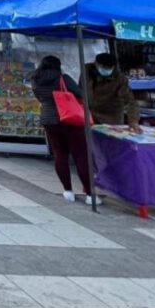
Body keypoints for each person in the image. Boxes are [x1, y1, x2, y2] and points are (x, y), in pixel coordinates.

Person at [31, 55, 94, 205]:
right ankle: (91, 195)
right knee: (80, 156)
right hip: (69, 119)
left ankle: (68, 191)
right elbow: (81, 94)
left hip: (48, 119)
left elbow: (39, 98)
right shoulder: (62, 78)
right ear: (58, 66)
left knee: (60, 155)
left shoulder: (35, 80)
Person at [86, 52, 141, 130]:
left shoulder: (120, 79)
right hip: (90, 117)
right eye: (103, 67)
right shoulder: (87, 72)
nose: (106, 70)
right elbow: (81, 91)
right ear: (96, 64)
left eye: (109, 68)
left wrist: (133, 121)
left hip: (111, 119)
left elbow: (130, 101)